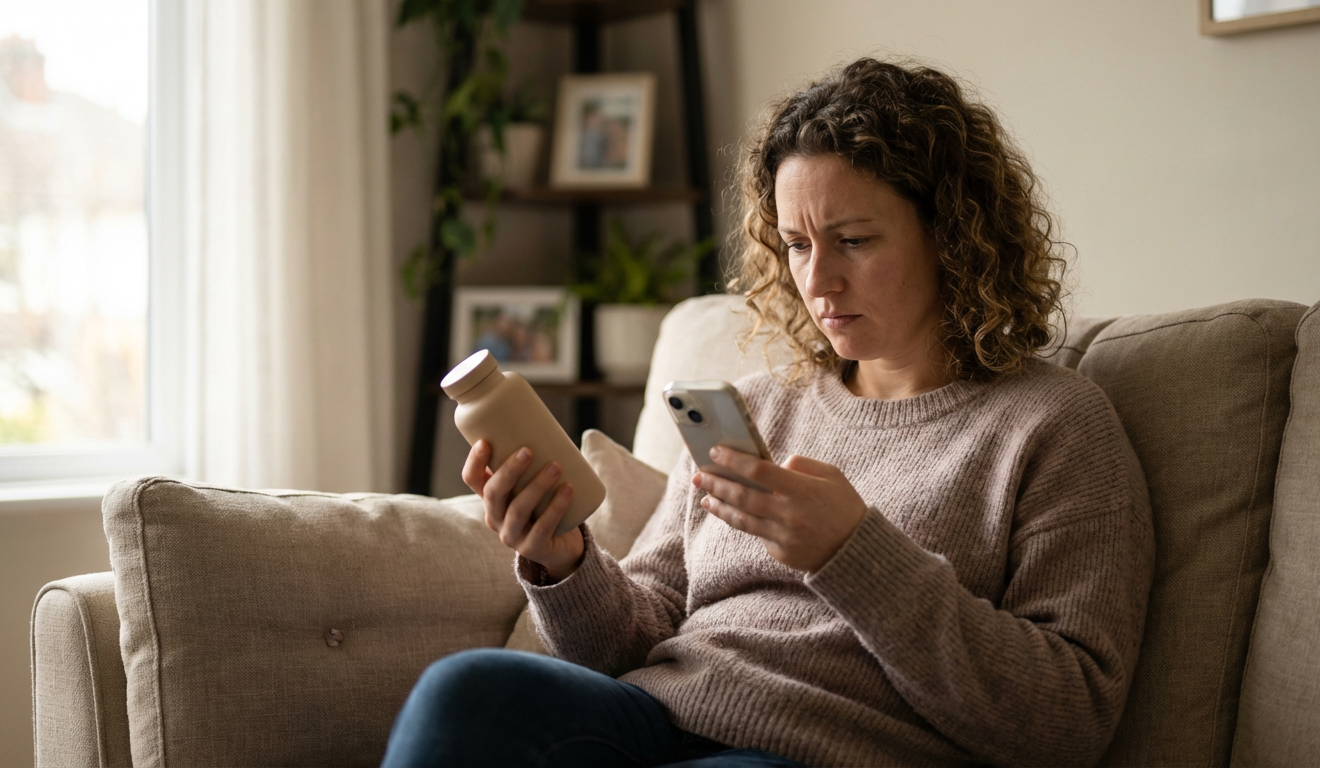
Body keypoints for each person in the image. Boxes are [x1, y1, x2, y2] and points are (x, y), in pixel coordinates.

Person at [383, 58, 1155, 768]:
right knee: (468, 692)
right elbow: (634, 636)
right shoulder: (756, 407)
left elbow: (1068, 720)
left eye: (852, 240)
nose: (818, 281)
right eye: (795, 244)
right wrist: (563, 560)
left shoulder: (1052, 426)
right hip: (656, 720)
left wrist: (851, 551)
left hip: (828, 749)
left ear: (953, 237)